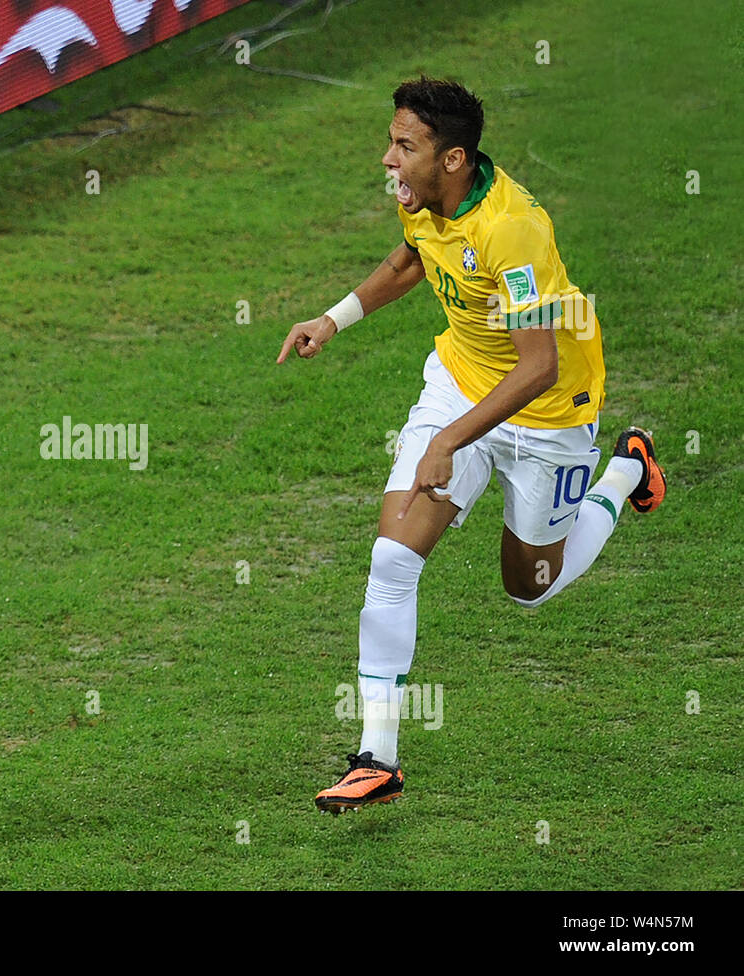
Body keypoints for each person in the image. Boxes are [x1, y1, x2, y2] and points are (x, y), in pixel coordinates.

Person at [276, 78, 665, 813]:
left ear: (453, 158)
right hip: (460, 381)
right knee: (392, 558)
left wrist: (448, 443)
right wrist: (333, 320)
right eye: (392, 140)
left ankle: (624, 469)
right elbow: (413, 260)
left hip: (547, 411)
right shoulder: (425, 201)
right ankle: (377, 759)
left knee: (530, 588)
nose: (388, 158)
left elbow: (539, 363)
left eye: (404, 145)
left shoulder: (511, 230)